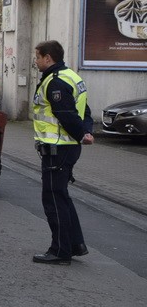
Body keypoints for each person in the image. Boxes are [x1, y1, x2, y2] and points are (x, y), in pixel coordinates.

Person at [31, 40, 94, 265]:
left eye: (37, 57)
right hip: (66, 147)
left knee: (53, 198)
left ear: (48, 58)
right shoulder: (72, 76)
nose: (35, 61)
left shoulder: (55, 82)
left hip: (58, 148)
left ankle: (59, 251)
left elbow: (67, 115)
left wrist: (81, 134)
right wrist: (86, 131)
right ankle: (75, 245)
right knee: (62, 197)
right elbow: (85, 110)